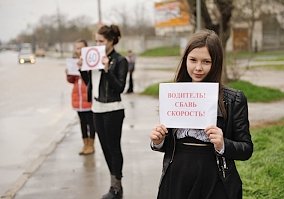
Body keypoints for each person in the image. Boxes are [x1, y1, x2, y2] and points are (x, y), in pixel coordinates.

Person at [149, 29, 253, 199]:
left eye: (206, 61)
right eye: (193, 60)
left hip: (214, 180)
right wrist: (158, 141)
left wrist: (223, 144)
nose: (198, 67)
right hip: (177, 178)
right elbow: (169, 144)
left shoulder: (233, 99)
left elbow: (246, 149)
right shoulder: (174, 94)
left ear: (216, 63)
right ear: (185, 60)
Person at [79, 25, 128, 199]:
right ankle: (113, 183)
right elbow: (89, 83)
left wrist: (107, 70)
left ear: (111, 41)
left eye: (101, 41)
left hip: (113, 109)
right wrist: (82, 68)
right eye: (96, 40)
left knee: (114, 148)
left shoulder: (120, 60)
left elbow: (120, 88)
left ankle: (117, 187)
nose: (97, 44)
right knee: (105, 148)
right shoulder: (94, 57)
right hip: (96, 109)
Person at [66, 39, 96, 155]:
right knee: (82, 123)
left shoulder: (91, 61)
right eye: (77, 48)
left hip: (88, 97)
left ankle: (91, 145)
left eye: (81, 48)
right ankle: (85, 144)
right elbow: (72, 80)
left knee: (91, 122)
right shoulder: (73, 61)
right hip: (77, 98)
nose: (79, 50)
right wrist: (68, 74)